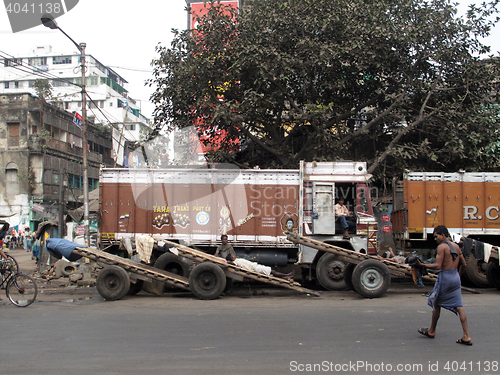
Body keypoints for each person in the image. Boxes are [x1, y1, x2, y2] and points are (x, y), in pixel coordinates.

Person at [417, 225, 472, 345]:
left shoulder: (441, 247)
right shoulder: (456, 246)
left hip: (445, 277)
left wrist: (423, 265)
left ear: (443, 235)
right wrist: (458, 275)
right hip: (455, 277)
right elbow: (464, 264)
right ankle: (466, 336)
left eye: (436, 236)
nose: (435, 239)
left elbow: (437, 265)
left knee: (436, 303)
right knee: (459, 306)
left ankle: (431, 331)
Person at [226, 253, 295, 281]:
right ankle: (287, 275)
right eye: (233, 255)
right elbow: (232, 264)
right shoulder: (235, 262)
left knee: (272, 273)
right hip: (255, 268)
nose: (234, 255)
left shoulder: (237, 260)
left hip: (256, 266)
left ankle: (286, 277)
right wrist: (227, 262)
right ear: (232, 257)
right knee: (272, 271)